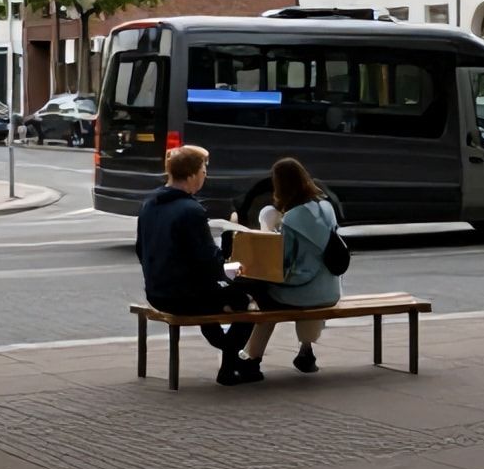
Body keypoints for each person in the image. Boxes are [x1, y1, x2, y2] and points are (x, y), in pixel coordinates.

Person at [136, 145, 257, 385]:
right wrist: (230, 265)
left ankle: (227, 351)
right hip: (183, 295)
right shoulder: (191, 210)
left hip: (156, 292)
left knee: (212, 298)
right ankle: (231, 364)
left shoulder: (150, 203)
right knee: (246, 301)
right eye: (203, 171)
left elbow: (141, 248)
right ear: (191, 176)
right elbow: (207, 261)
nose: (205, 176)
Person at [238, 158, 342, 376]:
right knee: (307, 288)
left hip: (304, 293)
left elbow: (281, 262)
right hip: (331, 291)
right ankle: (306, 351)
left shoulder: (293, 217)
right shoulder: (326, 208)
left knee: (266, 300)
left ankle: (252, 358)